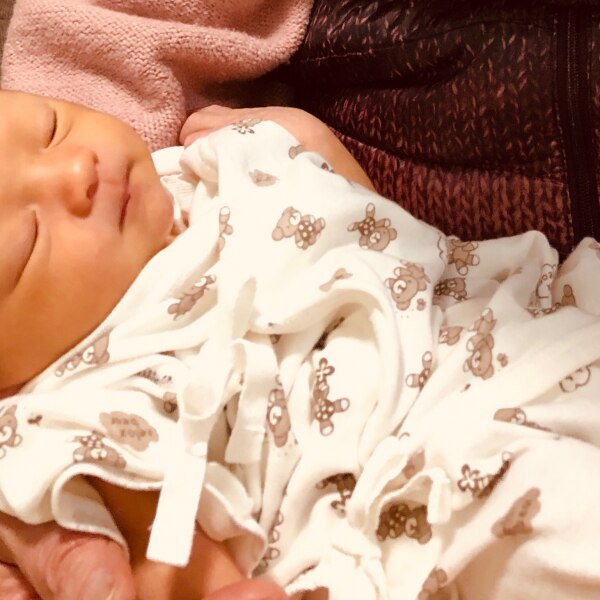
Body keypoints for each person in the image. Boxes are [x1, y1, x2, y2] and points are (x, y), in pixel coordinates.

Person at [2, 89, 600, 600]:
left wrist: (316, 155)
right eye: (28, 243)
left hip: (530, 339)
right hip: (436, 494)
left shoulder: (215, 167)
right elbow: (169, 555)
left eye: (51, 126)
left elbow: (385, 253)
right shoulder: (74, 397)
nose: (77, 170)